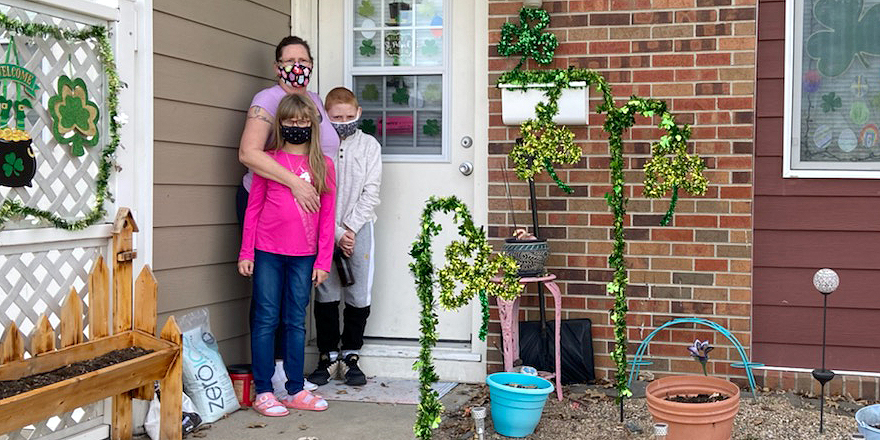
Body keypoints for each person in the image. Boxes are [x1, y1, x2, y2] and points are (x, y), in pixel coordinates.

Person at [236, 35, 338, 394]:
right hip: (269, 210)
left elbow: (322, 158)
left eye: (304, 59)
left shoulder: (313, 102)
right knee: (268, 304)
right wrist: (296, 183)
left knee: (295, 308)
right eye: (290, 59)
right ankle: (270, 378)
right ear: (277, 65)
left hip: (309, 215)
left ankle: (289, 378)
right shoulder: (267, 101)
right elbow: (250, 153)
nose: (298, 65)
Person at [308, 87, 382, 386]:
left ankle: (351, 354)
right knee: (326, 291)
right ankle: (327, 355)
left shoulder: (369, 146)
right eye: (336, 117)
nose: (344, 121)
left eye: (350, 116)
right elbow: (314, 188)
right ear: (325, 115)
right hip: (323, 228)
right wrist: (336, 232)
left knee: (358, 291)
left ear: (359, 113)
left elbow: (372, 191)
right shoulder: (318, 146)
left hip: (359, 228)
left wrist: (350, 229)